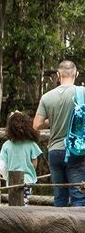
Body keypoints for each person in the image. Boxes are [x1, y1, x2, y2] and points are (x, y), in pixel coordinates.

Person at [33, 60, 83, 207]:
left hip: (55, 150)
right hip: (77, 151)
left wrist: (53, 119)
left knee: (59, 198)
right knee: (79, 197)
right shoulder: (82, 93)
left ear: (57, 74)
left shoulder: (47, 97)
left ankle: (60, 230)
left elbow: (36, 125)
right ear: (77, 74)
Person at [0, 111, 43, 206]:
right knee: (24, 203)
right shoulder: (31, 144)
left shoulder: (7, 145)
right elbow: (34, 163)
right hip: (27, 180)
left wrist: (6, 176)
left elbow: (0, 166)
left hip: (12, 181)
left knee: (14, 204)